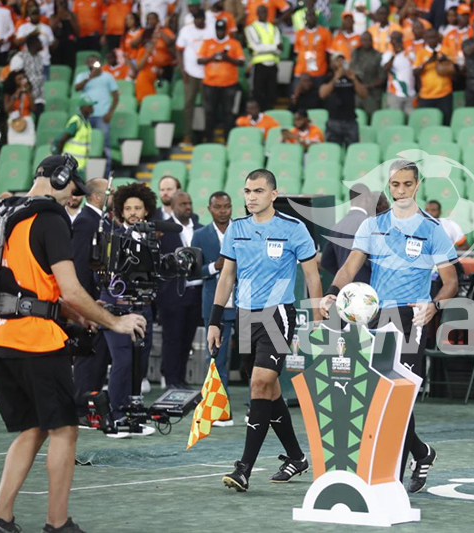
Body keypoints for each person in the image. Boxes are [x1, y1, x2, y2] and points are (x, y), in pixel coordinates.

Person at [0, 155, 146, 533]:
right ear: (59, 179)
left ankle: (0, 519)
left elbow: (24, 287)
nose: (73, 198)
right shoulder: (51, 219)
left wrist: (78, 315)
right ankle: (57, 522)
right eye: (73, 190)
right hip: (34, 341)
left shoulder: (5, 216)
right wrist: (115, 321)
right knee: (64, 429)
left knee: (33, 427)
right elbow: (70, 289)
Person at [321, 159, 459, 494]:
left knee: (400, 398)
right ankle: (421, 452)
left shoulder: (432, 230)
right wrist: (331, 294)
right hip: (377, 317)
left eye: (407, 184)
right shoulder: (372, 226)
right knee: (378, 398)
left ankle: (390, 484)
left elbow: (451, 281)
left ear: (417, 185)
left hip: (411, 318)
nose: (400, 191)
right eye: (394, 185)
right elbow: (349, 267)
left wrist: (434, 304)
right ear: (388, 186)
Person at [213, 169, 324, 492]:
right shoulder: (236, 229)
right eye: (247, 191)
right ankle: (296, 456)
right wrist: (215, 321)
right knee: (268, 390)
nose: (251, 197)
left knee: (260, 383)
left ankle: (243, 468)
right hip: (245, 317)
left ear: (273, 194)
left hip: (278, 315)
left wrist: (317, 320)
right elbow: (226, 278)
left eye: (258, 191)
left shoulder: (294, 228)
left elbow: (313, 277)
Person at [103, 183, 158, 420]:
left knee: (140, 362)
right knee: (123, 361)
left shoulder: (153, 239)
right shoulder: (111, 238)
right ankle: (117, 412)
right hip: (115, 309)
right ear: (121, 211)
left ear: (146, 210)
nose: (133, 212)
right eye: (128, 208)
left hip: (144, 308)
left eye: (138, 208)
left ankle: (134, 410)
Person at [71, 178, 116, 416]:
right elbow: (79, 266)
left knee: (99, 357)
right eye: (112, 192)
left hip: (100, 300)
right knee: (88, 356)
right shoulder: (85, 222)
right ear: (98, 196)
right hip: (89, 302)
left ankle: (91, 405)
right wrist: (84, 305)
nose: (115, 196)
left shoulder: (101, 221)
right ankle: (81, 406)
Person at [191, 191, 235, 412]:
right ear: (209, 209)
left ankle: (255, 405)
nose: (223, 211)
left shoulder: (243, 230)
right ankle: (217, 406)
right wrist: (214, 267)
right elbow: (192, 272)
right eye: (218, 207)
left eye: (226, 207)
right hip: (214, 304)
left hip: (245, 302)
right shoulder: (200, 235)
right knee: (216, 357)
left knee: (254, 355)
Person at [157, 191, 203, 390]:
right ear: (173, 207)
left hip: (196, 292)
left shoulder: (201, 229)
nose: (188, 207)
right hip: (171, 294)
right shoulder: (163, 231)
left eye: (190, 203)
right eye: (183, 204)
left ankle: (181, 379)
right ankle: (170, 379)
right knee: (172, 339)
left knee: (187, 339)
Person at [198, 19, 245, 143]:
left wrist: (228, 58)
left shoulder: (233, 43)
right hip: (210, 84)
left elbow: (241, 61)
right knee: (209, 112)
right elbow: (199, 60)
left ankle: (228, 139)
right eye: (218, 30)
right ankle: (209, 139)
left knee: (228, 112)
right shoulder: (208, 43)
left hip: (229, 84)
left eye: (222, 30)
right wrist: (212, 58)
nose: (220, 32)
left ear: (226, 30)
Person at [73, 54, 120, 173]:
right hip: (85, 116)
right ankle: (82, 173)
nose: (92, 64)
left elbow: (116, 96)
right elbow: (77, 88)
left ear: (100, 62)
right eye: (89, 62)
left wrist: (109, 113)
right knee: (84, 144)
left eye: (95, 62)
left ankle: (106, 173)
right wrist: (90, 77)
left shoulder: (108, 77)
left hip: (102, 116)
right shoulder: (82, 76)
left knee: (104, 146)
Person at [320, 184, 375, 284]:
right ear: (367, 199)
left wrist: (343, 275)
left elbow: (326, 261)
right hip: (366, 286)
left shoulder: (337, 227)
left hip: (344, 288)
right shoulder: (369, 224)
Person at [176, 9, 213, 145]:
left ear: (204, 19)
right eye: (196, 19)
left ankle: (208, 136)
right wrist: (183, 69)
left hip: (208, 73)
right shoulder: (186, 31)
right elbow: (179, 50)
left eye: (200, 18)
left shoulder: (211, 30)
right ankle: (187, 136)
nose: (198, 21)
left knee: (208, 105)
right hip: (191, 72)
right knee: (188, 105)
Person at [319, 53, 366, 148]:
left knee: (352, 149)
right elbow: (322, 94)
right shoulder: (328, 78)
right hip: (333, 120)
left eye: (342, 60)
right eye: (337, 60)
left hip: (350, 120)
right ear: (332, 63)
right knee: (333, 150)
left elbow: (363, 94)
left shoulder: (352, 77)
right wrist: (336, 77)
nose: (340, 63)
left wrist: (354, 79)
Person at [413, 28, 456, 125]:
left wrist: (447, 61)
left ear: (438, 38)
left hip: (444, 93)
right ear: (425, 39)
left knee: (446, 122)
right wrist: (428, 62)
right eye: (429, 38)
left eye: (433, 37)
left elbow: (455, 71)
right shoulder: (421, 53)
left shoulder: (446, 50)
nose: (432, 40)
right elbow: (415, 72)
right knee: (427, 123)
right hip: (426, 95)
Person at [245, 4, 281, 112]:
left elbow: (280, 49)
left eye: (265, 12)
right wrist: (273, 47)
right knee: (258, 93)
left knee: (271, 94)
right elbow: (255, 47)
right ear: (257, 14)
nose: (263, 14)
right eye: (261, 12)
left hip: (273, 64)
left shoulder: (273, 28)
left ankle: (269, 117)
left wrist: (268, 48)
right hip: (259, 64)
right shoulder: (251, 28)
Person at [55, 97, 94, 176]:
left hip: (80, 166)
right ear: (82, 108)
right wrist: (60, 156)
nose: (92, 108)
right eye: (89, 106)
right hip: (70, 165)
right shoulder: (76, 121)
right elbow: (63, 139)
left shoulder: (86, 123)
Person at [15, 5, 56, 79]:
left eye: (36, 14)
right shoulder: (23, 28)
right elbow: (17, 43)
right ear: (29, 15)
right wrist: (29, 36)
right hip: (29, 62)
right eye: (33, 14)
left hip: (44, 61)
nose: (35, 16)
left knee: (44, 86)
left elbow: (52, 43)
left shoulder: (46, 28)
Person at [351, 32, 385, 119]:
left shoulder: (378, 56)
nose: (366, 42)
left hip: (372, 93)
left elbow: (382, 78)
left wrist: (368, 86)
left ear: (372, 41)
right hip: (357, 93)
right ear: (361, 41)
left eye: (368, 40)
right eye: (364, 40)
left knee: (372, 118)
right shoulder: (355, 53)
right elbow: (351, 72)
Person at [293, 10, 332, 85]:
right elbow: (297, 53)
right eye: (308, 15)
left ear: (316, 18)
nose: (311, 18)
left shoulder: (325, 32)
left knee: (317, 95)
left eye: (313, 15)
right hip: (301, 71)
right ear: (305, 19)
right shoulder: (299, 33)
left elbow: (329, 53)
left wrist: (329, 69)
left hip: (319, 71)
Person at [383, 31, 416, 115]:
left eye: (398, 39)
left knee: (411, 119)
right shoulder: (387, 54)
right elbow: (385, 69)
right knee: (396, 118)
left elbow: (415, 71)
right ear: (390, 41)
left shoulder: (410, 54)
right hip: (394, 93)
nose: (396, 42)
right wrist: (394, 55)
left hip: (410, 93)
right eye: (393, 39)